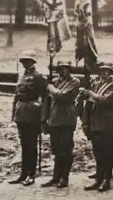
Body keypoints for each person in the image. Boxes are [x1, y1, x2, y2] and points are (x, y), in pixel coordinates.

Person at [8, 50, 48, 187]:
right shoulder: (21, 76)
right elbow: (16, 95)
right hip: (21, 112)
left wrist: (43, 117)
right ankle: (23, 174)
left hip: (32, 113)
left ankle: (31, 174)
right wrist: (13, 113)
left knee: (31, 145)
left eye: (28, 61)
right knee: (24, 145)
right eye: (23, 61)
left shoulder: (38, 77)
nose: (25, 63)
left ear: (33, 62)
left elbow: (45, 98)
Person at [80, 62, 113, 192]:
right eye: (102, 70)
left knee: (107, 152)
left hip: (107, 122)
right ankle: (98, 178)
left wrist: (90, 93)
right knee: (97, 152)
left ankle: (106, 180)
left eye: (106, 70)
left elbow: (104, 100)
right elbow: (90, 103)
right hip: (95, 121)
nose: (104, 72)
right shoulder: (95, 83)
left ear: (110, 72)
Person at [41, 60, 80, 188]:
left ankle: (64, 177)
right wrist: (45, 118)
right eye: (61, 68)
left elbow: (62, 96)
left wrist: (50, 87)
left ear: (70, 70)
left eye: (66, 68)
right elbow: (47, 101)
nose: (63, 71)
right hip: (54, 119)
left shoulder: (74, 82)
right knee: (56, 149)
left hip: (67, 120)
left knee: (66, 149)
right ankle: (55, 176)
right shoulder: (56, 81)